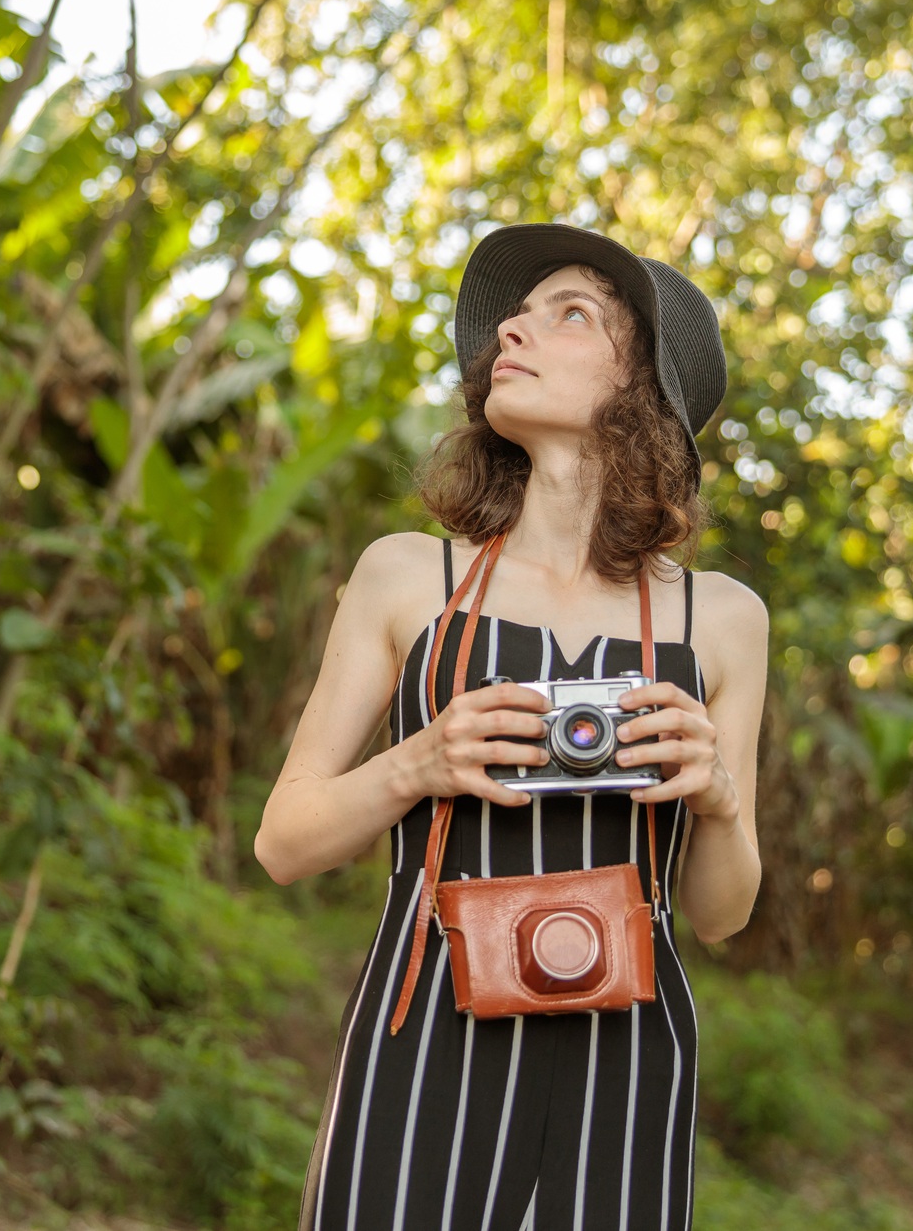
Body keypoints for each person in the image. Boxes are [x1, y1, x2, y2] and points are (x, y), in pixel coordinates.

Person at [256, 224, 768, 1231]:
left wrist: (716, 799)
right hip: (425, 1030)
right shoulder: (407, 574)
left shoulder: (721, 618)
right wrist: (415, 762)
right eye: (515, 313)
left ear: (640, 396)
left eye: (566, 312)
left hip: (627, 1050)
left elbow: (718, 913)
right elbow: (283, 840)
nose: (512, 330)